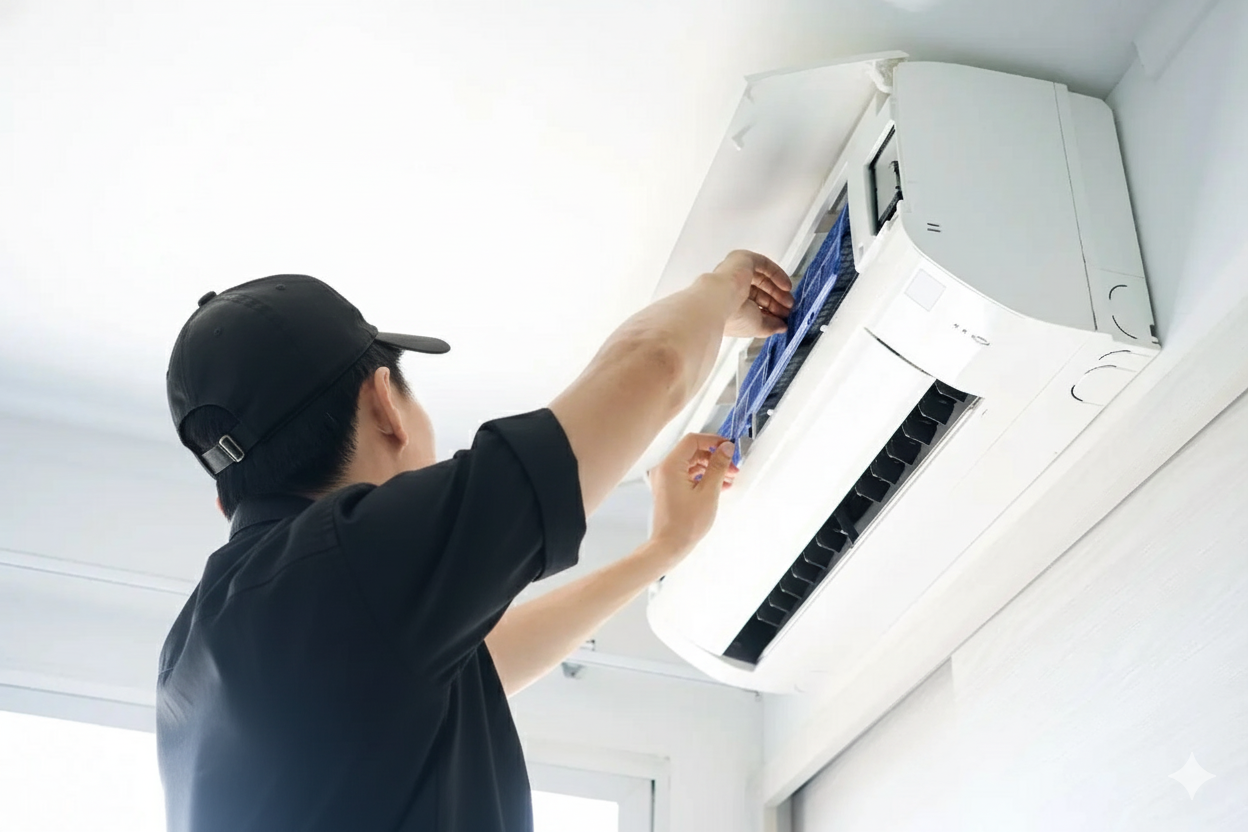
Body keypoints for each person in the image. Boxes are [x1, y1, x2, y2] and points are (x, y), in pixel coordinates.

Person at [156, 250, 794, 832]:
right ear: (386, 405)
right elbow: (651, 370)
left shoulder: (196, 651)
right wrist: (722, 289)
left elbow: (478, 660)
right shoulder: (347, 566)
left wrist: (661, 551)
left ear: (225, 498)